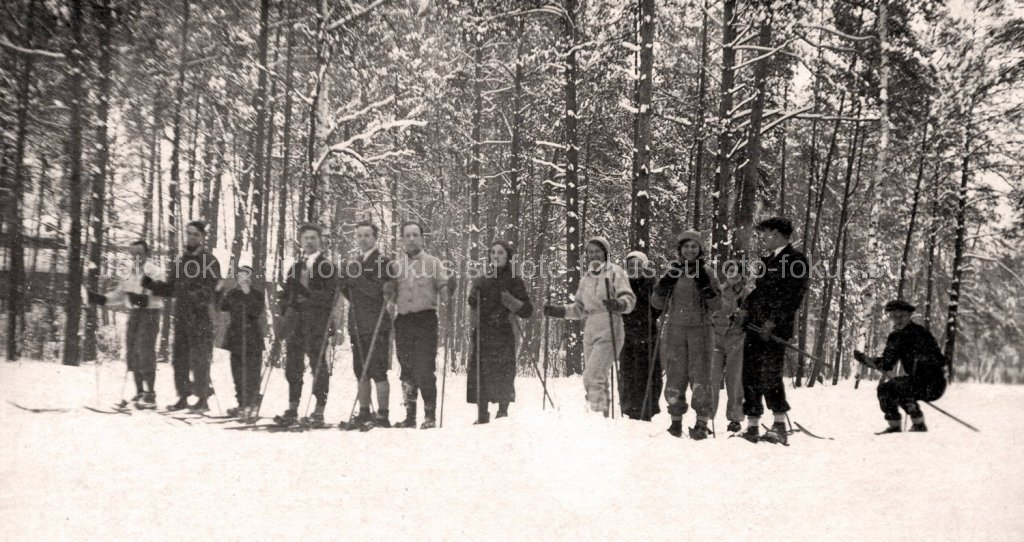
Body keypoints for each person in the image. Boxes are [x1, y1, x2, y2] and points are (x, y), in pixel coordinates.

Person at [544, 237, 635, 416]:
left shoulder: (615, 272)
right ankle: (602, 415)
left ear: (605, 253)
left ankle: (597, 415)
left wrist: (618, 304)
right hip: (591, 328)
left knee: (592, 375)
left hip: (610, 325)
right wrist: (559, 310)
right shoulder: (586, 278)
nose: (594, 255)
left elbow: (629, 299)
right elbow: (579, 308)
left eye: (597, 251)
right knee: (598, 376)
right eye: (590, 252)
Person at [737, 217, 808, 444]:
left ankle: (779, 425)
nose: (761, 238)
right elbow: (759, 292)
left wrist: (772, 322)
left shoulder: (797, 260)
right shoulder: (768, 260)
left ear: (777, 234)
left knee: (769, 374)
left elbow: (792, 297)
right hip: (754, 327)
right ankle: (753, 426)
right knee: (750, 374)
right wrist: (744, 309)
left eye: (765, 233)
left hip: (773, 329)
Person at [143, 221, 222, 412]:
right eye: (189, 234)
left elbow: (215, 289)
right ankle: (183, 397)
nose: (192, 237)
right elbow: (170, 288)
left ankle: (203, 398)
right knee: (180, 359)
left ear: (202, 237)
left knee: (200, 358)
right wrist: (152, 284)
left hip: (201, 316)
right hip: (181, 316)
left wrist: (194, 294)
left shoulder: (209, 260)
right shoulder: (180, 261)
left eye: (196, 234)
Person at [652, 231, 721, 439]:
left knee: (701, 374)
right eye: (686, 247)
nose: (690, 250)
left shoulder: (707, 272)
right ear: (680, 250)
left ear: (700, 249)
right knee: (675, 373)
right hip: (675, 328)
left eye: (694, 246)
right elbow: (656, 304)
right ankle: (675, 421)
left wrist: (707, 289)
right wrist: (663, 286)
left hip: (701, 328)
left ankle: (702, 421)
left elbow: (718, 305)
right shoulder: (673, 271)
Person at [390, 220, 456, 429]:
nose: (411, 239)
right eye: (407, 235)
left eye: (415, 235)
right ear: (402, 238)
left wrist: (449, 289)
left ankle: (430, 416)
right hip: (403, 321)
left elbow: (444, 290)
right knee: (406, 367)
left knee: (424, 368)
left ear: (421, 238)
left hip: (425, 319)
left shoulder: (433, 262)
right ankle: (410, 417)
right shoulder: (396, 266)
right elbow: (391, 296)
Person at [275, 223, 340, 427]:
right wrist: (285, 305)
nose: (309, 241)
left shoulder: (327, 266)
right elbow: (287, 295)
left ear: (320, 241)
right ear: (300, 241)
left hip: (317, 322)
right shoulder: (295, 267)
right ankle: (292, 407)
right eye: (306, 238)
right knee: (293, 364)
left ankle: (319, 410)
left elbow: (331, 296)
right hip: (296, 322)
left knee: (318, 364)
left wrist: (307, 295)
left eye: (313, 238)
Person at [86, 240, 164, 409]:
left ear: (147, 254)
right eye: (133, 253)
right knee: (132, 350)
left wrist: (145, 298)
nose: (136, 257)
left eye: (139, 253)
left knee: (145, 349)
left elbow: (161, 294)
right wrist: (102, 298)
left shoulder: (155, 271)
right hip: (135, 313)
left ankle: (150, 394)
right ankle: (139, 392)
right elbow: (120, 294)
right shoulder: (129, 272)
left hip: (150, 313)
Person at [855, 300, 948, 434]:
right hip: (915, 381)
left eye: (901, 316)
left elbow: (939, 359)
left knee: (900, 387)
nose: (897, 320)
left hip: (933, 382)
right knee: (886, 389)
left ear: (909, 315)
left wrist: (923, 359)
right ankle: (894, 426)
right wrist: (866, 360)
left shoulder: (920, 333)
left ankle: (918, 424)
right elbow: (887, 363)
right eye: (894, 316)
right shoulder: (895, 337)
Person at [467, 241, 533, 424]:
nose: (496, 256)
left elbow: (527, 310)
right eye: (493, 252)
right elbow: (473, 305)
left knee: (503, 370)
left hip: (504, 330)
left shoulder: (514, 280)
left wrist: (510, 301)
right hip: (483, 331)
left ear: (508, 256)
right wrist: (473, 300)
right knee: (480, 370)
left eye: (500, 253)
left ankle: (503, 411)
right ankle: (482, 413)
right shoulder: (481, 280)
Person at [337, 220, 394, 429]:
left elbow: (378, 293)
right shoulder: (355, 263)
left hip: (377, 323)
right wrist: (344, 282)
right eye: (359, 235)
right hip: (357, 322)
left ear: (375, 237)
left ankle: (383, 415)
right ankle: (363, 412)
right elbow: (352, 295)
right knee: (360, 370)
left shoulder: (383, 262)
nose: (363, 239)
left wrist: (355, 279)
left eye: (367, 235)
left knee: (378, 370)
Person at [619, 251, 662, 421]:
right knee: (629, 373)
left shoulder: (651, 284)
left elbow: (658, 308)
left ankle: (647, 409)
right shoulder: (622, 286)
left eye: (638, 265)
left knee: (648, 374)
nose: (634, 269)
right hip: (628, 334)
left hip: (648, 334)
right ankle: (631, 408)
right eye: (630, 266)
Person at [218, 265, 265, 419]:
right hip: (236, 336)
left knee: (252, 373)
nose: (242, 279)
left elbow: (256, 311)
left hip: (252, 337)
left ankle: (251, 404)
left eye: (246, 276)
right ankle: (242, 404)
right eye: (240, 276)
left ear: (250, 279)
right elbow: (223, 306)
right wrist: (219, 290)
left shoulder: (257, 294)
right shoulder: (232, 293)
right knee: (237, 373)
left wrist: (247, 294)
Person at [710, 259, 750, 433]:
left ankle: (735, 419)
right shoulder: (718, 291)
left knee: (735, 381)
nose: (733, 274)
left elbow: (755, 314)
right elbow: (710, 310)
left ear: (741, 274)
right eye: (730, 271)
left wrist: (742, 317)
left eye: (736, 271)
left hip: (737, 339)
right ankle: (705, 418)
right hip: (716, 338)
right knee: (711, 378)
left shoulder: (748, 293)